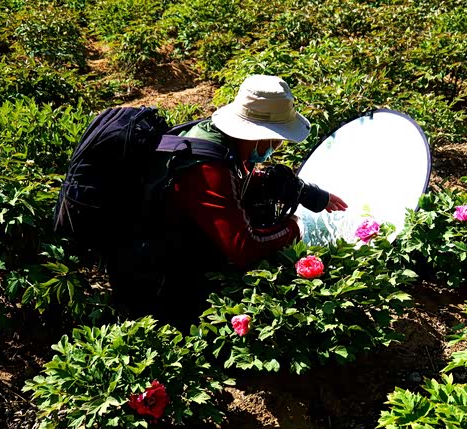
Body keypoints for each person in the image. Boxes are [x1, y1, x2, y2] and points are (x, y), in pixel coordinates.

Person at [116, 75, 347, 323]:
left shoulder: (222, 140)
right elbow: (245, 247)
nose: (278, 146)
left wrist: (304, 191)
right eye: (278, 139)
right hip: (155, 273)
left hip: (168, 245)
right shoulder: (207, 167)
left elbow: (235, 181)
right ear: (261, 135)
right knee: (185, 318)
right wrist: (295, 228)